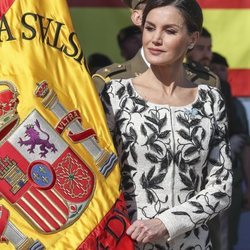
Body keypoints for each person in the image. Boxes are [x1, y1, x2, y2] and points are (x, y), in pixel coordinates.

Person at [100, 0, 232, 249]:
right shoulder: (115, 95)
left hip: (193, 243)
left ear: (192, 38)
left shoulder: (210, 100)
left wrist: (166, 223)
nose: (155, 39)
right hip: (127, 241)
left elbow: (221, 188)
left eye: (169, 31)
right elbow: (97, 173)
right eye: (150, 28)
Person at [92, 0, 220, 93]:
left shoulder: (207, 82)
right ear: (138, 17)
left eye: (170, 30)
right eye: (156, 3)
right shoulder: (109, 83)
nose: (167, 6)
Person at [210, 52, 249, 250]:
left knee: (224, 240)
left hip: (228, 182)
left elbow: (244, 147)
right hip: (197, 187)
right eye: (213, 68)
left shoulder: (234, 104)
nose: (217, 73)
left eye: (221, 69)